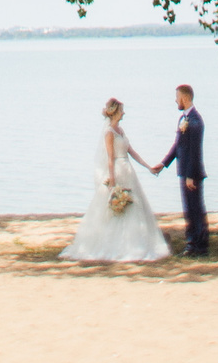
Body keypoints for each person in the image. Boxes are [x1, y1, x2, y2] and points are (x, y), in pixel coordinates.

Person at [59, 96, 172, 262]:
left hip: (128, 171)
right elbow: (110, 158)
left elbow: (131, 152)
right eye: (121, 110)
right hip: (118, 171)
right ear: (115, 112)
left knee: (135, 206)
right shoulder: (109, 133)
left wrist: (148, 167)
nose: (124, 113)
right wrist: (112, 181)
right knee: (120, 208)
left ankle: (136, 242)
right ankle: (116, 244)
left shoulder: (121, 130)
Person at [151, 84, 209, 256]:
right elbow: (179, 146)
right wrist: (163, 164)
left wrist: (190, 175)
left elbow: (195, 151)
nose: (175, 100)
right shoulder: (183, 119)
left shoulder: (195, 121)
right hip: (184, 173)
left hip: (192, 174)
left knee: (195, 210)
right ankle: (192, 244)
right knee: (189, 209)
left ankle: (198, 246)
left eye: (177, 97)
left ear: (184, 97)